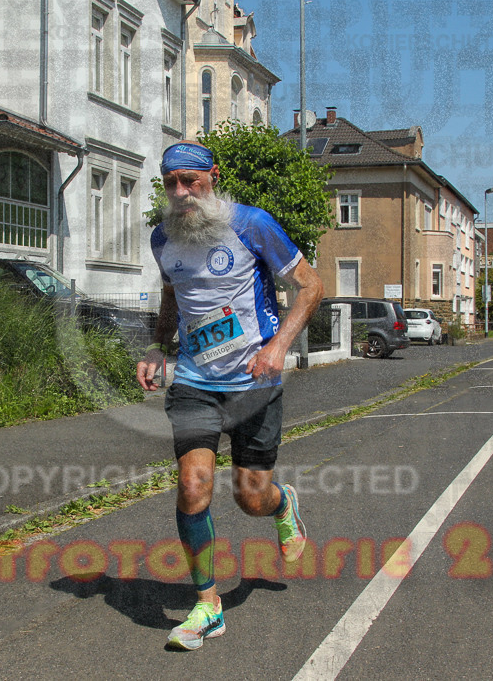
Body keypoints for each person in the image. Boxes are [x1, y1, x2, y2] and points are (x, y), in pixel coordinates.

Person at [136, 141, 324, 650]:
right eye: (171, 182)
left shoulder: (252, 224)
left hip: (255, 382)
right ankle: (207, 604)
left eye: (190, 181)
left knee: (250, 497)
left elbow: (309, 286)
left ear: (212, 177)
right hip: (196, 381)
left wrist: (279, 347)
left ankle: (283, 505)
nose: (181, 192)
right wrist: (158, 348)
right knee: (193, 487)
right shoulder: (162, 238)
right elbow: (173, 299)